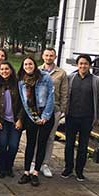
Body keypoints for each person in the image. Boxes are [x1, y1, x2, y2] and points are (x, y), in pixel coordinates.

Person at [61, 54, 99, 182]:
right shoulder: (71, 78)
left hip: (87, 118)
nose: (83, 66)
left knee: (83, 145)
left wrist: (98, 116)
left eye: (85, 63)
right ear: (77, 65)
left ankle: (80, 171)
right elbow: (66, 95)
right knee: (69, 144)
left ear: (89, 65)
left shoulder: (96, 81)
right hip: (71, 116)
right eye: (80, 63)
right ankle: (68, 168)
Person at [17, 56, 54, 187]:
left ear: (35, 64)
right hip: (30, 116)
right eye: (25, 64)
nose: (28, 66)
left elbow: (51, 96)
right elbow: (23, 100)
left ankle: (36, 173)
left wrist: (45, 116)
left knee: (42, 143)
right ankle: (27, 172)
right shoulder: (21, 81)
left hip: (46, 115)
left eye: (30, 64)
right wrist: (33, 117)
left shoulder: (45, 77)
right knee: (30, 143)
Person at [37, 48, 68, 177]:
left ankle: (45, 163)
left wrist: (62, 110)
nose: (49, 58)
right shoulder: (37, 70)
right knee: (37, 137)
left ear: (55, 57)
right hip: (38, 110)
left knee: (50, 138)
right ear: (43, 56)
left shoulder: (61, 73)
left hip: (54, 110)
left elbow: (64, 92)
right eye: (46, 55)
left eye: (51, 55)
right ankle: (34, 162)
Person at [0, 61, 23, 178]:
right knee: (2, 144)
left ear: (11, 70)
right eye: (2, 69)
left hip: (15, 120)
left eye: (6, 69)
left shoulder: (18, 84)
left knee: (13, 146)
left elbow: (23, 104)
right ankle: (1, 168)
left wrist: (20, 119)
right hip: (2, 120)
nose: (4, 71)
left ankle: (9, 167)